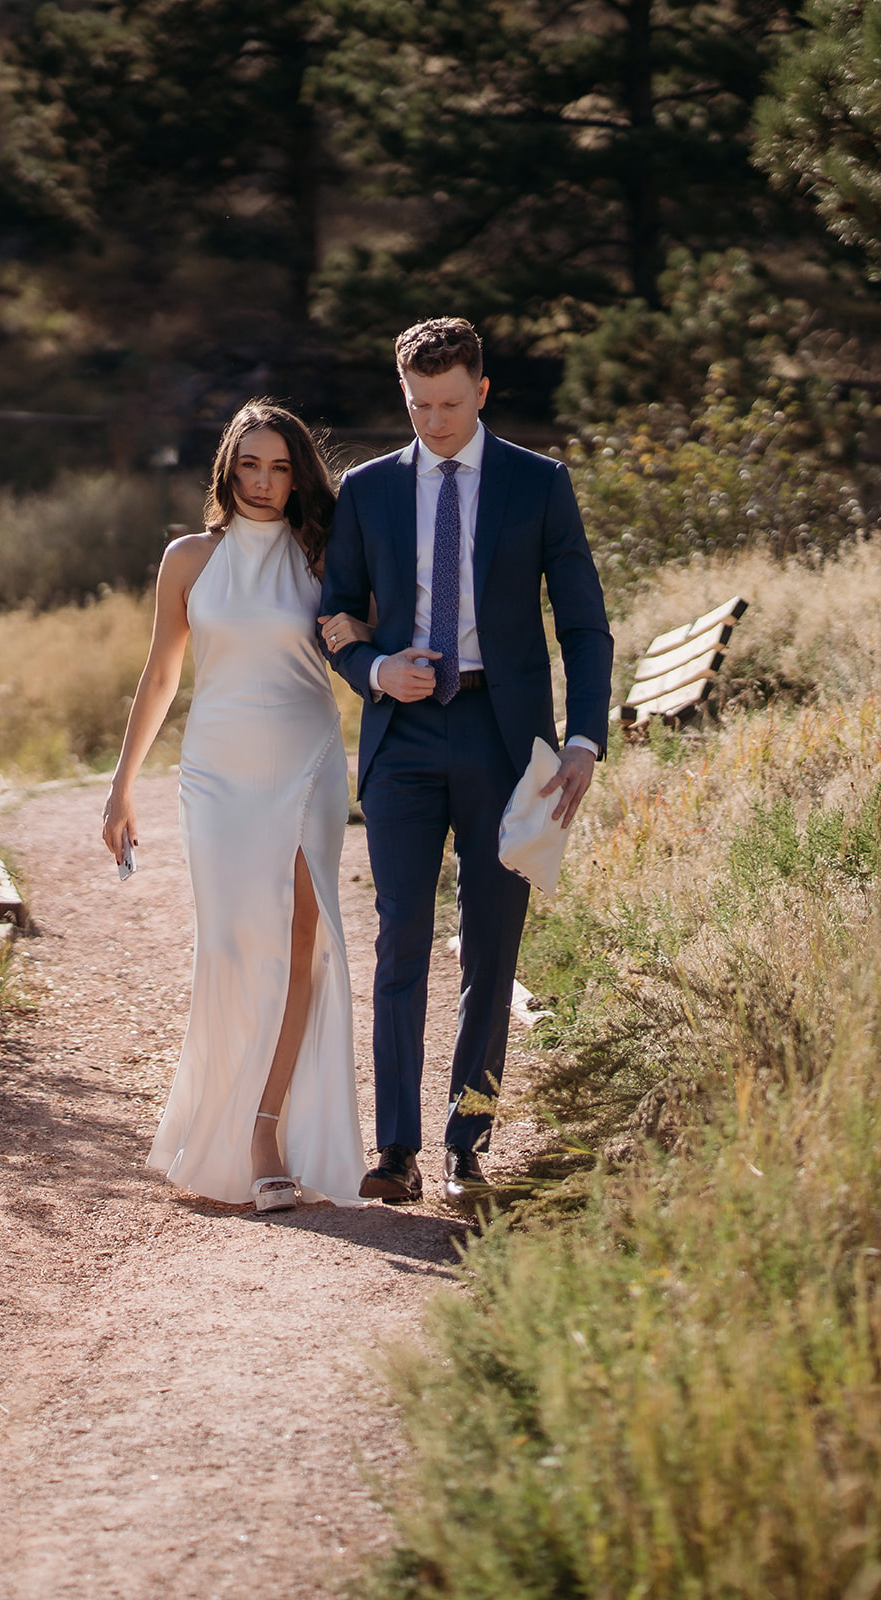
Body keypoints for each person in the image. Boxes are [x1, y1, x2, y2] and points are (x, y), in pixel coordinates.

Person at [319, 317, 613, 1206]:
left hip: (503, 739)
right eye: (417, 405)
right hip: (402, 742)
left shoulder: (538, 484)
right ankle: (397, 1148)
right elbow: (333, 609)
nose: (434, 421)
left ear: (481, 392)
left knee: (491, 946)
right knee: (400, 936)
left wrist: (583, 739)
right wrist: (374, 669)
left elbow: (584, 623)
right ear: (400, 395)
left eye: (449, 403)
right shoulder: (366, 490)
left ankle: (467, 1140)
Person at [102, 402, 366, 1212]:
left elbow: (370, 641)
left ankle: (266, 1130)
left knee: (299, 941)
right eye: (250, 464)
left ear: (299, 476)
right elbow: (160, 676)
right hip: (215, 773)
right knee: (226, 944)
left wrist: (363, 626)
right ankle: (219, 1120)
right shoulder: (187, 559)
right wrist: (121, 786)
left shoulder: (324, 553)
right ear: (226, 468)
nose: (263, 482)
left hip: (307, 761)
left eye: (281, 467)